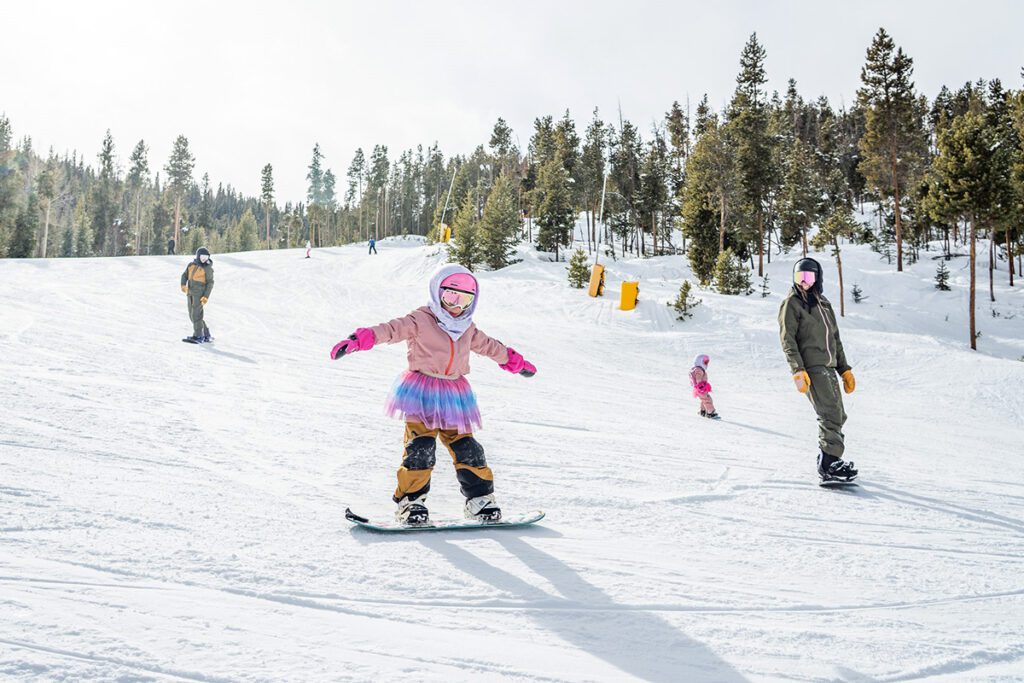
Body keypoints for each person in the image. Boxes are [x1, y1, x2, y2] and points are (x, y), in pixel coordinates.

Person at [330, 263, 537, 524]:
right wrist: (359, 340)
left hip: (454, 394)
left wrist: (515, 362)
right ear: (437, 293)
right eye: (451, 296)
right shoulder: (420, 319)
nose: (456, 305)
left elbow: (490, 347)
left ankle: (479, 500)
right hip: (422, 393)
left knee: (468, 448)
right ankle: (411, 502)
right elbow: (390, 330)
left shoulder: (467, 327)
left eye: (465, 299)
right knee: (421, 448)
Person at [778, 257, 857, 482]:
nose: (804, 282)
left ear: (817, 278)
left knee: (838, 414)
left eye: (808, 277)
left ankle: (830, 458)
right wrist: (797, 369)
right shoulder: (792, 303)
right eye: (799, 277)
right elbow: (787, 339)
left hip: (830, 367)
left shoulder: (824, 304)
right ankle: (829, 464)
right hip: (812, 367)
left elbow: (835, 339)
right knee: (829, 413)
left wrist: (844, 369)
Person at [180, 247, 214, 342]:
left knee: (196, 315)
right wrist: (183, 285)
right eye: (202, 257)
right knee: (192, 315)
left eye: (206, 257)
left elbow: (210, 283)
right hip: (190, 293)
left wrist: (206, 296)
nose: (204, 259)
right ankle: (206, 333)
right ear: (198, 256)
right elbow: (184, 275)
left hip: (199, 295)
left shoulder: (207, 269)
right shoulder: (191, 265)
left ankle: (199, 336)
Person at [689, 354, 719, 419]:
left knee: (704, 399)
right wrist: (700, 386)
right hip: (701, 388)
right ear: (699, 361)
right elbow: (698, 378)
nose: (706, 364)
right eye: (705, 362)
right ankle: (710, 413)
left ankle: (703, 411)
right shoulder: (698, 370)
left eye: (707, 362)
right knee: (707, 399)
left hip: (700, 388)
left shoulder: (698, 369)